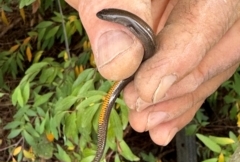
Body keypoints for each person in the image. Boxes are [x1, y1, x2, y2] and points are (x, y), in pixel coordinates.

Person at [66, 0, 240, 145]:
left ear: (116, 20)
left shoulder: (125, 21)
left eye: (104, 17)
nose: (102, 18)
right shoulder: (122, 19)